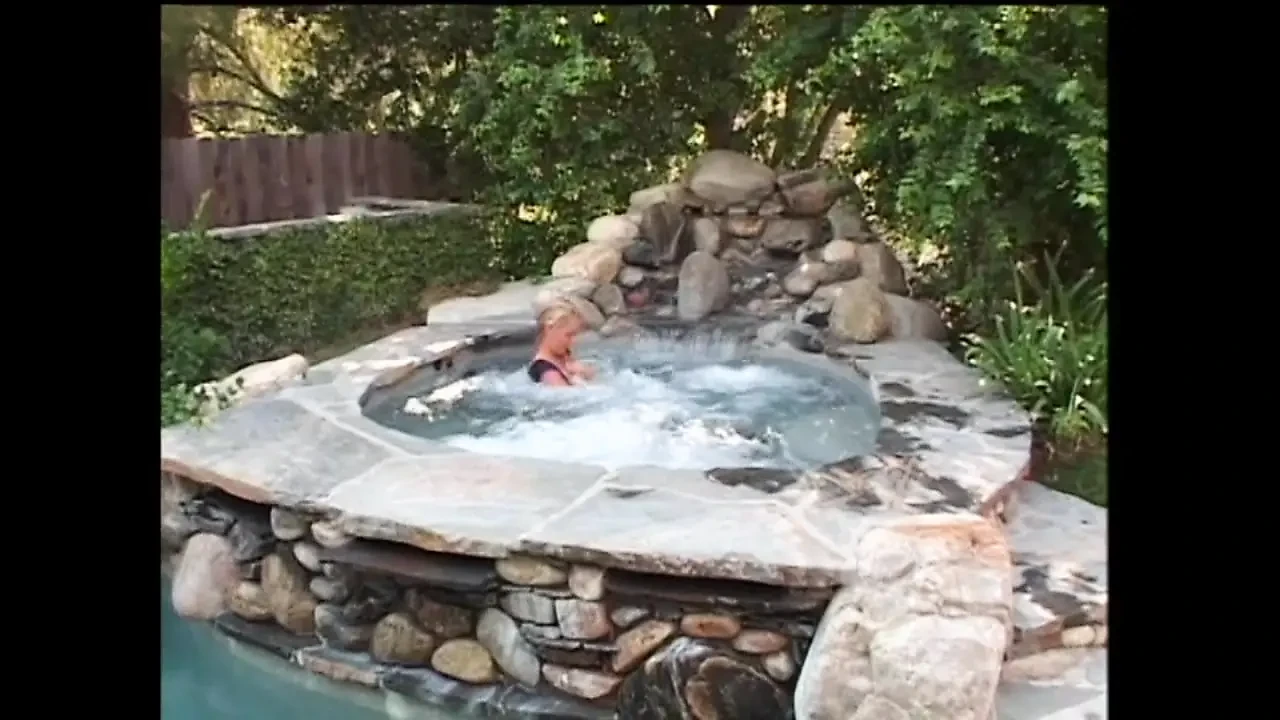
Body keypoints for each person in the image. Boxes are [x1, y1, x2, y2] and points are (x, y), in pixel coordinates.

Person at [529, 302, 597, 386]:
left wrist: (583, 372)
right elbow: (564, 392)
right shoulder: (546, 370)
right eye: (569, 335)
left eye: (575, 335)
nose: (573, 341)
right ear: (549, 328)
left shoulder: (563, 353)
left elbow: (591, 375)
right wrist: (577, 380)